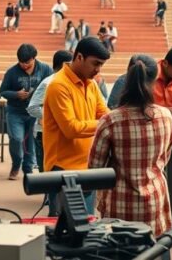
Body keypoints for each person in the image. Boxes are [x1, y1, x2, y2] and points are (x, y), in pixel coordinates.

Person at [89, 59, 172, 234]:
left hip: (119, 206)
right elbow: (165, 158)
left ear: (127, 77)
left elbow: (95, 169)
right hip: (155, 202)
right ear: (155, 77)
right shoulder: (166, 116)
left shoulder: (110, 120)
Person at [43, 37, 111, 214]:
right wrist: (105, 123)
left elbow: (105, 114)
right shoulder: (58, 85)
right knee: (65, 232)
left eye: (101, 65)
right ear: (79, 57)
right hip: (63, 169)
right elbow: (71, 129)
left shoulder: (92, 84)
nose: (98, 70)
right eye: (95, 63)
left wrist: (105, 121)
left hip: (87, 166)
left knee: (85, 229)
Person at [0, 44, 54, 180]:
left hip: (35, 113)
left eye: (27, 62)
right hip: (15, 112)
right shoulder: (12, 72)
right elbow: (3, 91)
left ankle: (28, 170)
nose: (24, 65)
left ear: (34, 58)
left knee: (31, 143)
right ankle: (16, 164)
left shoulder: (45, 69)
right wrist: (16, 94)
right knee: (16, 139)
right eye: (21, 62)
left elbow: (53, 87)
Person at [27, 50, 73, 175]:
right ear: (64, 65)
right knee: (48, 176)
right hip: (45, 134)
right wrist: (52, 118)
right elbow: (33, 107)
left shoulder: (70, 82)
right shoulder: (49, 83)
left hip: (62, 134)